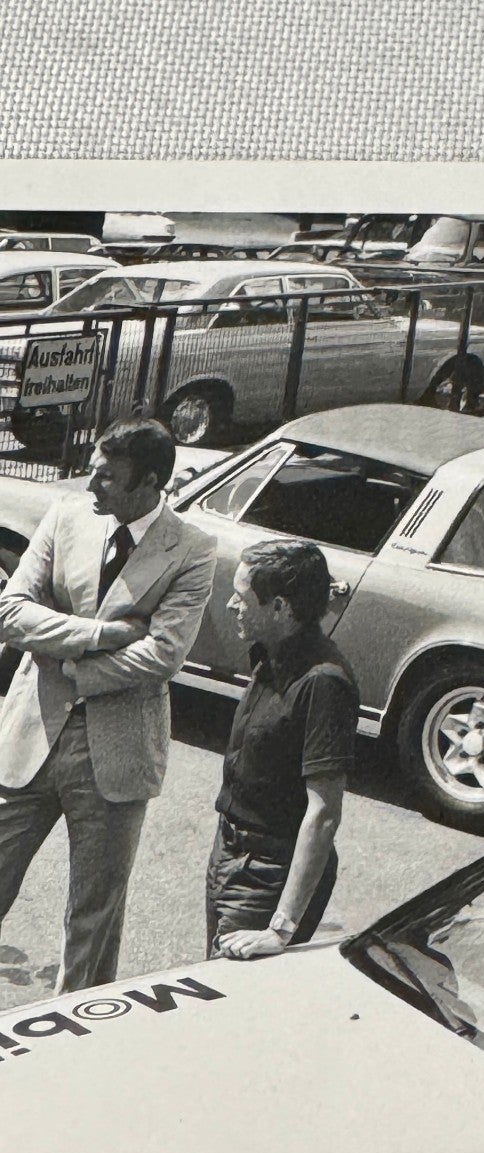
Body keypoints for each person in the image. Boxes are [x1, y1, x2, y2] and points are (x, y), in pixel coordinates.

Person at [0, 417, 217, 991]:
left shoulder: (192, 549)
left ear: (150, 483)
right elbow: (10, 611)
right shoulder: (65, 516)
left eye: (107, 478)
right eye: (92, 472)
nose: (91, 486)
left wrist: (73, 666)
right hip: (30, 734)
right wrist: (100, 635)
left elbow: (163, 654)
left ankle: (76, 1024)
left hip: (116, 756)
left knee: (93, 915)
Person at [208, 538, 358, 960]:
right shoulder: (271, 654)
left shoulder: (323, 683)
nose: (231, 606)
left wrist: (280, 929)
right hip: (230, 851)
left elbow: (324, 814)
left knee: (233, 990)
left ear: (279, 608)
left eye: (242, 598)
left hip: (267, 873)